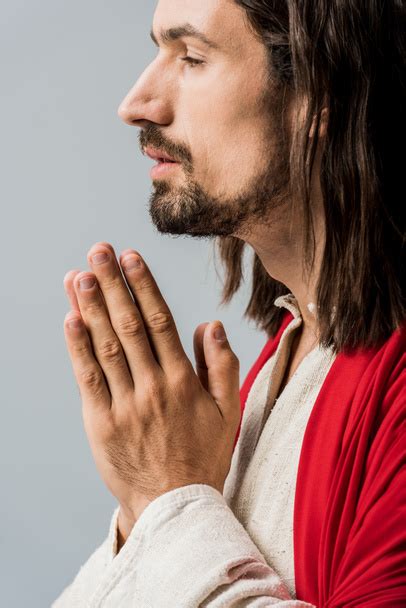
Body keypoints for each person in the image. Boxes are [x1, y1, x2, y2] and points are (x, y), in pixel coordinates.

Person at [53, 0, 405, 606]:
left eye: (191, 57)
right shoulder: (283, 362)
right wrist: (148, 511)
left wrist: (169, 496)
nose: (137, 103)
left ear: (319, 95)